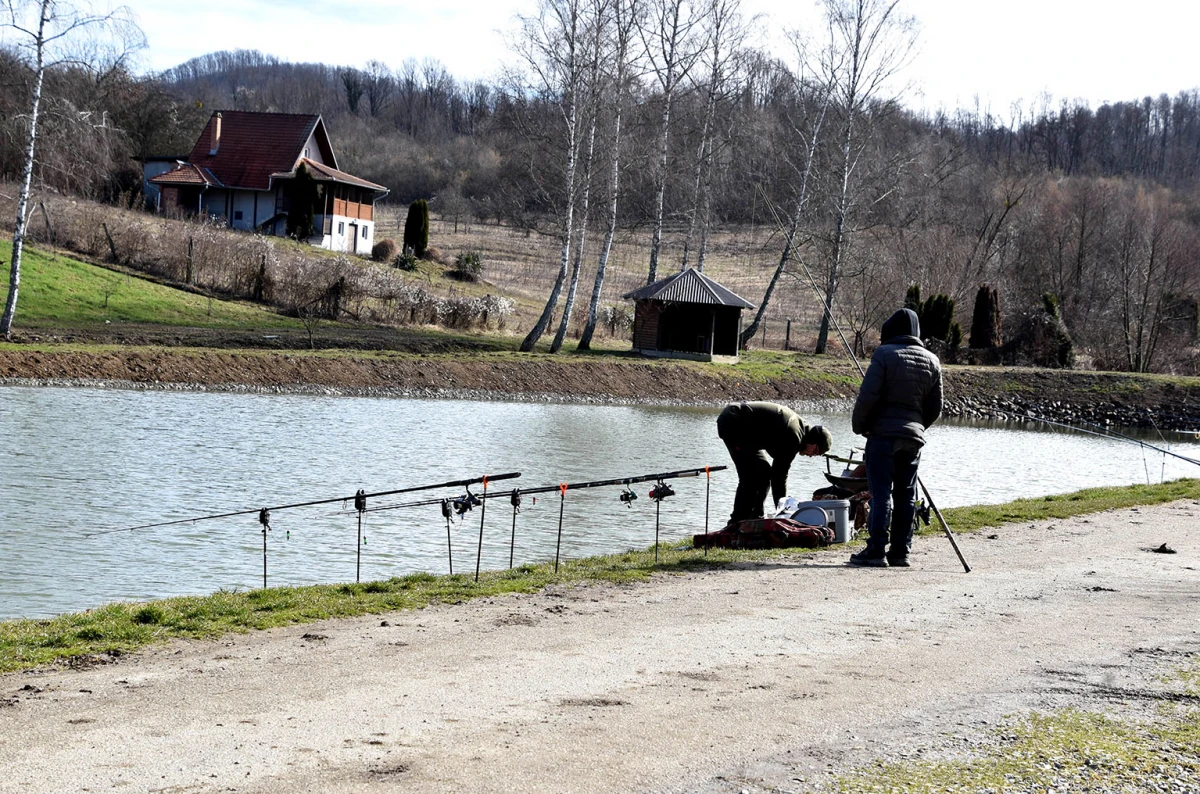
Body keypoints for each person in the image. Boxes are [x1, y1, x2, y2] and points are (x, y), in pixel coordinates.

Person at [849, 307, 943, 567]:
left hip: (882, 437)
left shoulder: (884, 354)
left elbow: (868, 397)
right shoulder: (932, 360)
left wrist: (861, 427)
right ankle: (901, 552)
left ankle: (876, 550)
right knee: (906, 495)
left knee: (881, 495)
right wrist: (916, 427)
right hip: (913, 439)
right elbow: (935, 408)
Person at [716, 401, 832, 525]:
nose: (811, 456)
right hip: (734, 423)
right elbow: (779, 478)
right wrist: (783, 511)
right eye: (815, 451)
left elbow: (776, 473)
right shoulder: (794, 437)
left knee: (764, 474)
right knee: (750, 477)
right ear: (813, 440)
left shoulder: (801, 431)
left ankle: (755, 518)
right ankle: (737, 523)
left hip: (747, 430)